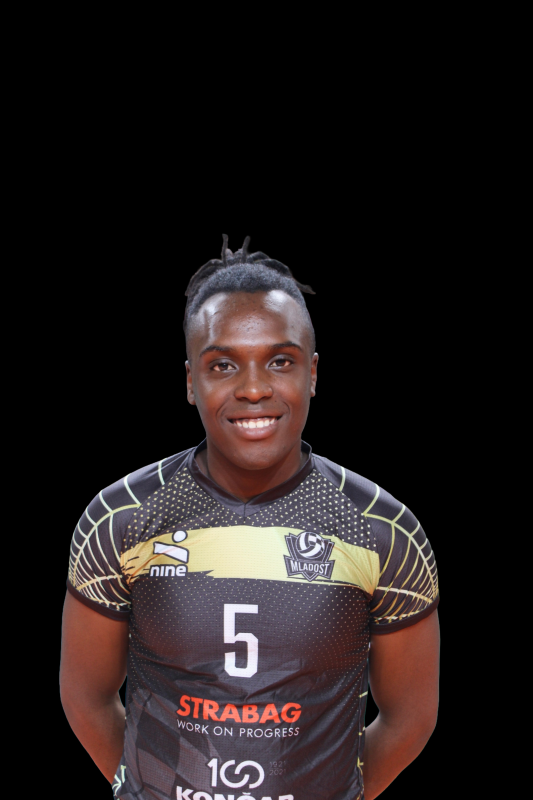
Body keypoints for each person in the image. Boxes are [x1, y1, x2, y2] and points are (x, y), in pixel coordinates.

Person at [60, 236, 440, 800]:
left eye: (280, 362)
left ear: (313, 373)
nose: (255, 389)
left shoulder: (382, 530)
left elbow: (410, 717)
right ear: (191, 383)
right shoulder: (121, 518)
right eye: (223, 365)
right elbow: (86, 699)